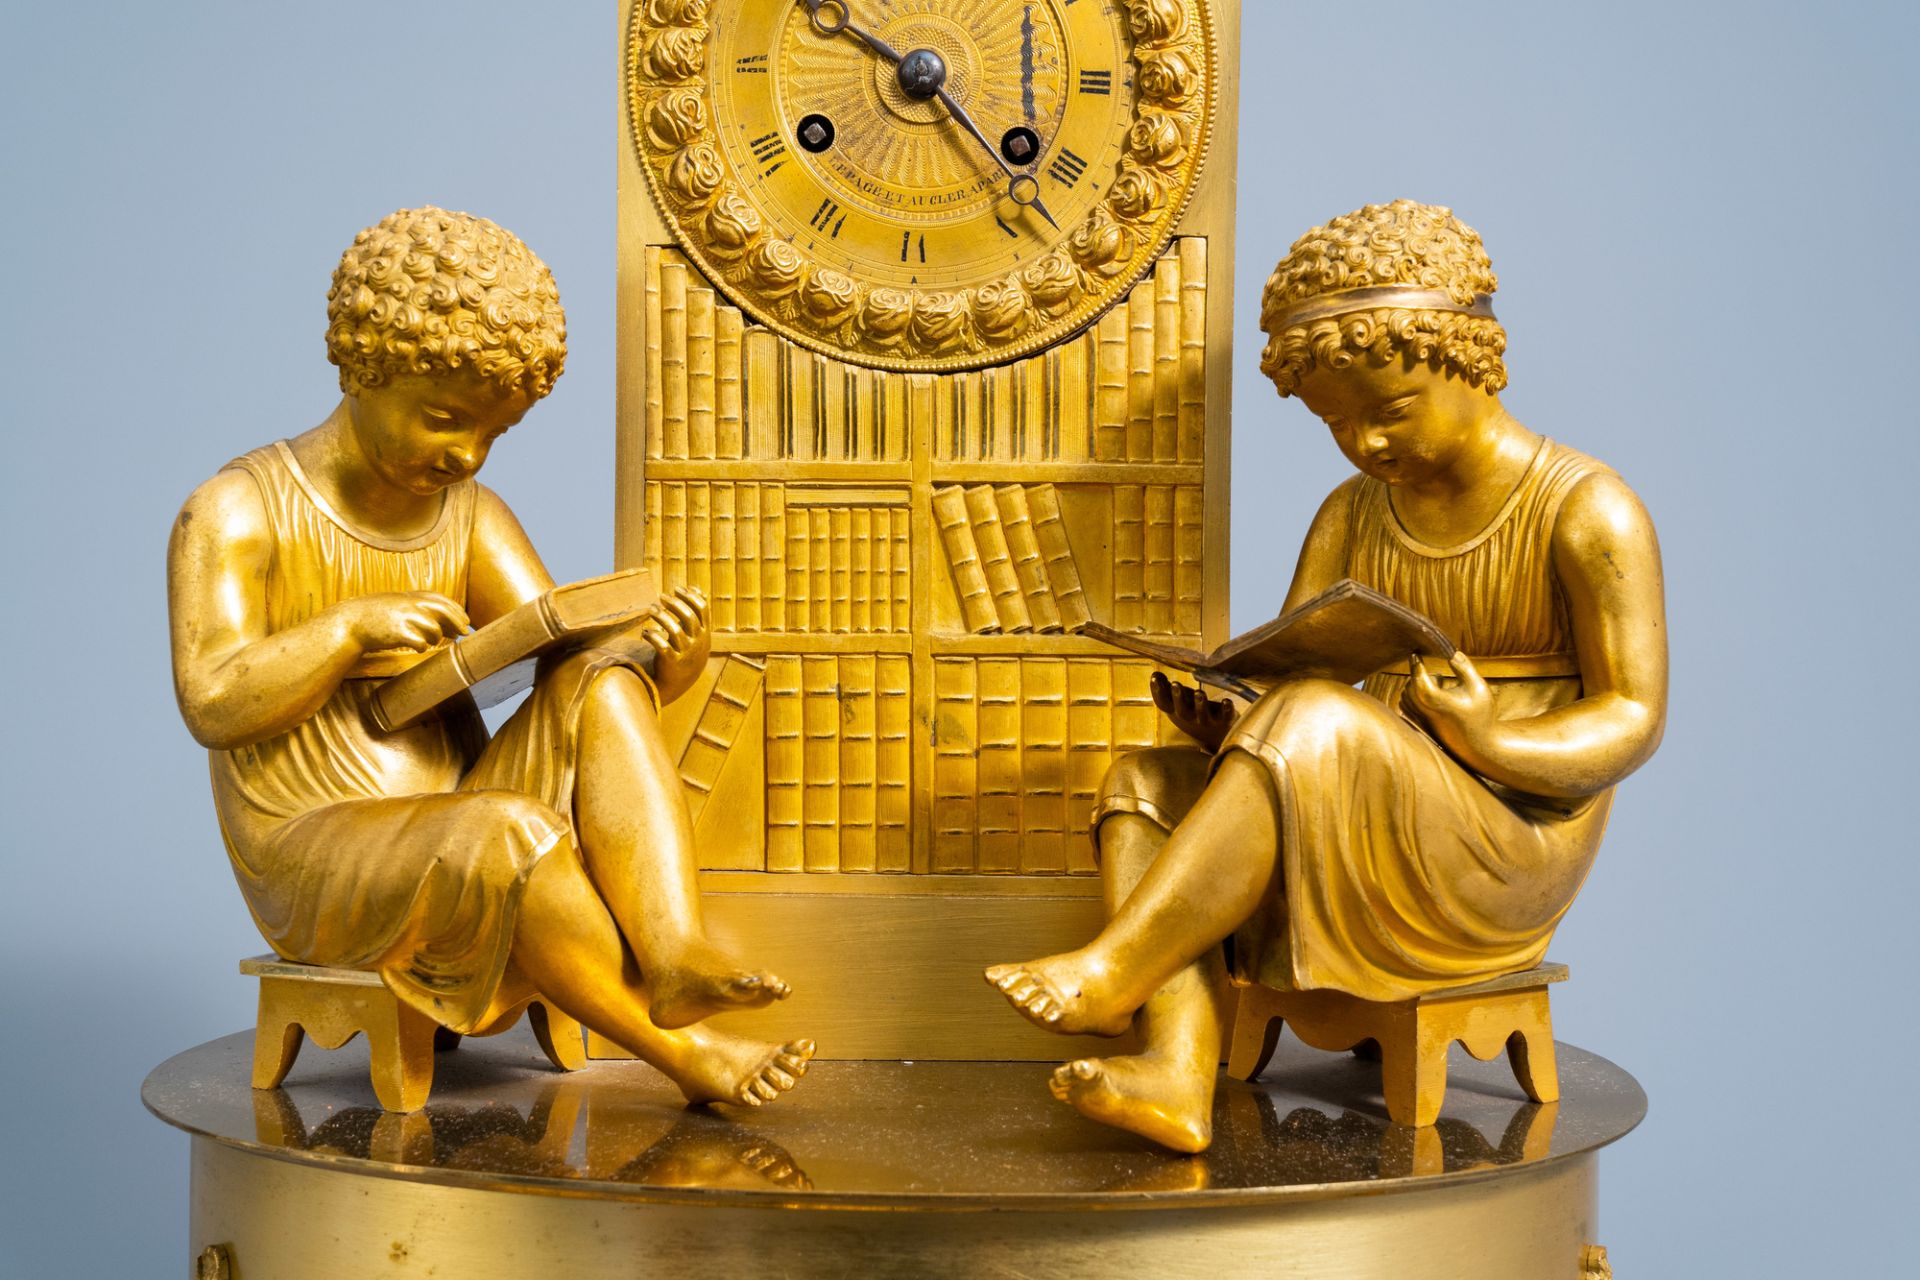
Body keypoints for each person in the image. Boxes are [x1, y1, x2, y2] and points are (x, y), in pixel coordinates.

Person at [987, 200, 1668, 1151]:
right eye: (1337, 425)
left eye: (1389, 412)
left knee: (1309, 719)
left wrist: (1492, 740)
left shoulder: (1587, 509)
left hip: (1509, 835)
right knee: (1142, 783)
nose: (1365, 446)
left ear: (1472, 360)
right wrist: (1227, 718)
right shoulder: (1351, 511)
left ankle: (1114, 971)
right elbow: (1295, 683)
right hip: (1353, 799)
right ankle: (1177, 1065)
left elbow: (1633, 717)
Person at [169, 207, 812, 1108]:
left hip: (451, 806)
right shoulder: (237, 509)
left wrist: (667, 661)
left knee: (597, 677)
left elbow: (564, 657)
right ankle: (689, 1056)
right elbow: (212, 701)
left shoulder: (471, 513)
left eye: (493, 435)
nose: (466, 453)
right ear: (366, 365)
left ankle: (672, 950)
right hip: (314, 851)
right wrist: (345, 633)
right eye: (443, 419)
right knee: (506, 831)